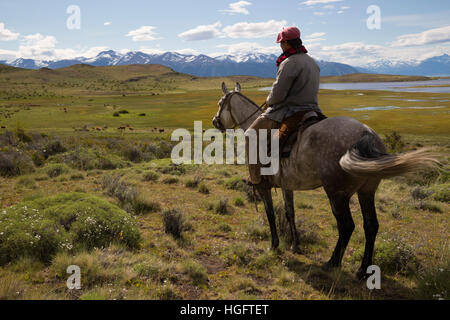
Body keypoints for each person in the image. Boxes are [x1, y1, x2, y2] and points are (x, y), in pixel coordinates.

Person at [245, 26, 323, 187]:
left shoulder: (288, 63)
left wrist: (269, 100)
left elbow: (278, 94)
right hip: (313, 110)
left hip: (289, 110)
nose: (280, 46)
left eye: (281, 43)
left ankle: (256, 179)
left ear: (287, 43)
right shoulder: (313, 63)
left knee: (250, 135)